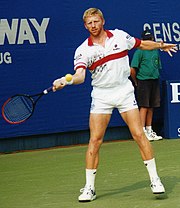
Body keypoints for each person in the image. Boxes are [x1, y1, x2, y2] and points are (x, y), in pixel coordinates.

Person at [52, 8, 177, 202]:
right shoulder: (83, 50)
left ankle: (155, 180)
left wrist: (161, 45)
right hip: (101, 96)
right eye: (89, 23)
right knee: (95, 140)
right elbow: (80, 76)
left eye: (96, 21)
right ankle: (89, 188)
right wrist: (65, 80)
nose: (93, 26)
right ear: (85, 26)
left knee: (138, 134)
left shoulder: (119, 36)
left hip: (124, 92)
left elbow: (142, 44)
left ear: (102, 21)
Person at [130, 29, 163, 141]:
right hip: (143, 81)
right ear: (143, 41)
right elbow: (132, 70)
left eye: (150, 39)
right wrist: (136, 82)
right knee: (144, 106)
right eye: (147, 39)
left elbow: (157, 66)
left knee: (151, 106)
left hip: (154, 80)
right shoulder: (139, 51)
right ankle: (142, 131)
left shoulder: (155, 50)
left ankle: (149, 130)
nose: (149, 41)